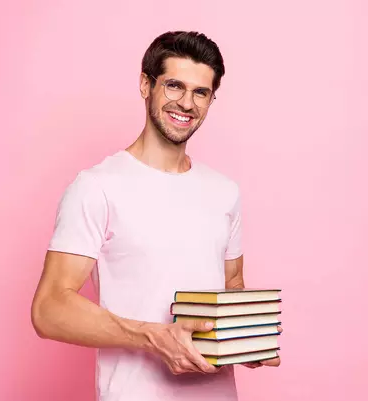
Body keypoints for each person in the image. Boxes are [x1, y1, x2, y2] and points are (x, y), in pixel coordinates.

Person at [30, 31, 281, 401]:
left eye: (201, 92)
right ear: (146, 85)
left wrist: (247, 337)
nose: (187, 103)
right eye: (174, 86)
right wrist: (154, 337)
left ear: (212, 99)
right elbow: (48, 308)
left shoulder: (225, 191)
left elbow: (232, 286)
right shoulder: (97, 186)